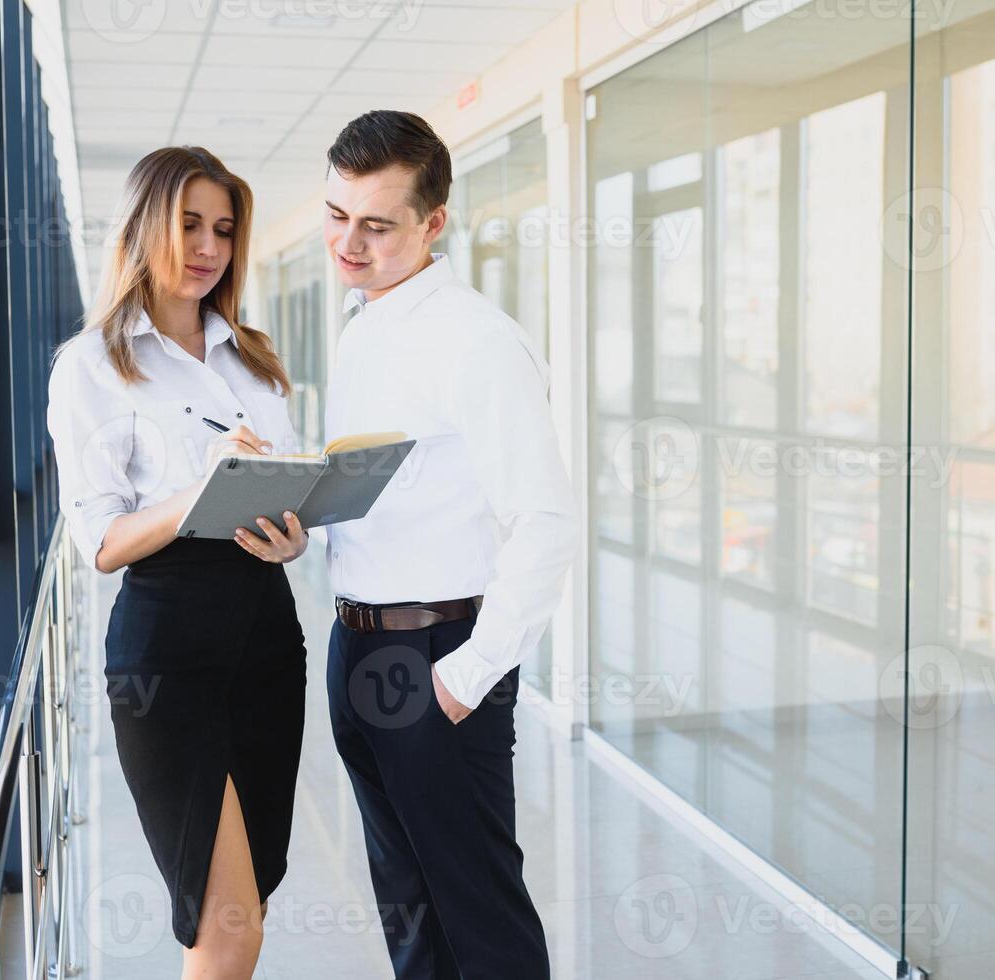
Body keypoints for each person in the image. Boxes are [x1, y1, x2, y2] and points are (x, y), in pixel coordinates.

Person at [320, 110, 576, 979]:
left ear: (433, 224)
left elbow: (542, 524)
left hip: (437, 655)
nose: (349, 243)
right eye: (336, 215)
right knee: (407, 909)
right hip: (356, 644)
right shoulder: (362, 324)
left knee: (478, 916)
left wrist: (464, 682)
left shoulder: (476, 340)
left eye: (377, 225)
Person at [46, 146, 309, 980]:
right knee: (225, 926)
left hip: (268, 636)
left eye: (224, 230)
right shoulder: (94, 364)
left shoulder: (254, 357)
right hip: (168, 650)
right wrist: (202, 491)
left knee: (250, 904)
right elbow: (102, 543)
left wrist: (295, 533)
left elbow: (289, 486)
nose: (207, 247)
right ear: (144, 225)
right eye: (189, 223)